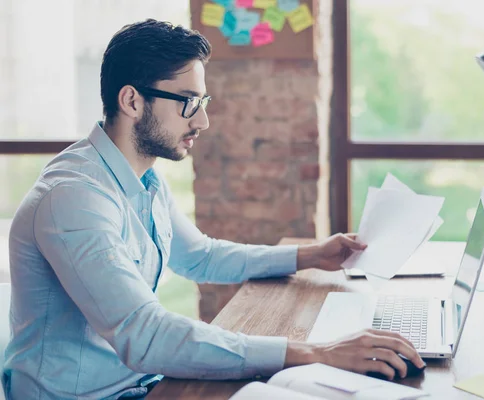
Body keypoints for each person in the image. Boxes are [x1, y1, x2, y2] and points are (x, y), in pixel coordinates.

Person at [2, 19, 424, 399]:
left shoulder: (142, 179)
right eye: (188, 102)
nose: (202, 122)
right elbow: (144, 335)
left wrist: (310, 255)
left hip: (139, 383)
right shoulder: (74, 199)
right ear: (132, 101)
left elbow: (201, 256)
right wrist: (316, 352)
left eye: (202, 102)